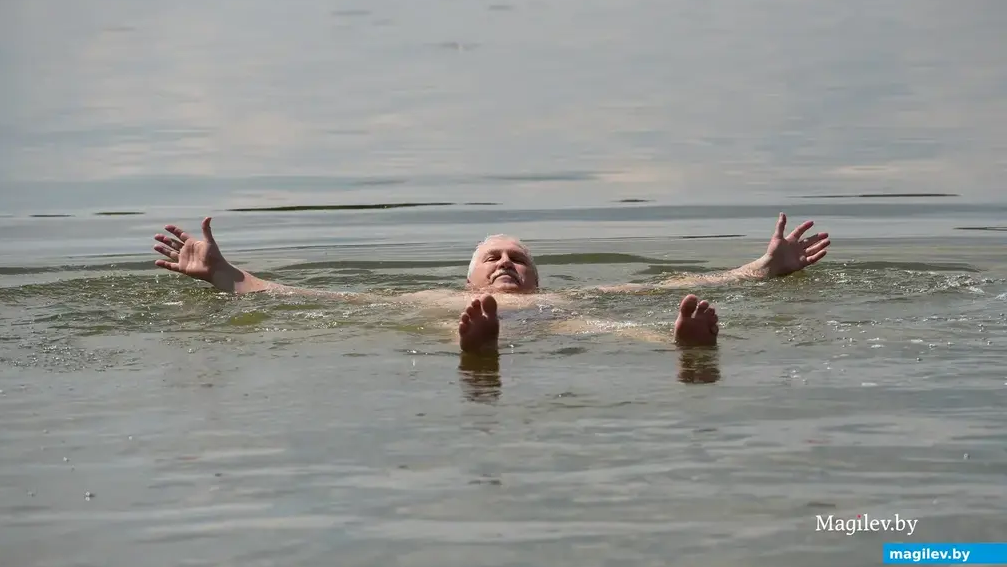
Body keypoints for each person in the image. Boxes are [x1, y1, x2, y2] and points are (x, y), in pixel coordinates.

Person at [152, 212, 831, 356]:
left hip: (559, 328)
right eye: (494, 257)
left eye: (520, 258)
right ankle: (476, 347)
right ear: (468, 276)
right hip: (466, 322)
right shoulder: (435, 297)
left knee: (633, 323)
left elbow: (672, 282)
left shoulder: (567, 301)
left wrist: (760, 269)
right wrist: (223, 273)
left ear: (539, 277)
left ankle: (684, 346)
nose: (508, 263)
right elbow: (312, 301)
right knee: (468, 328)